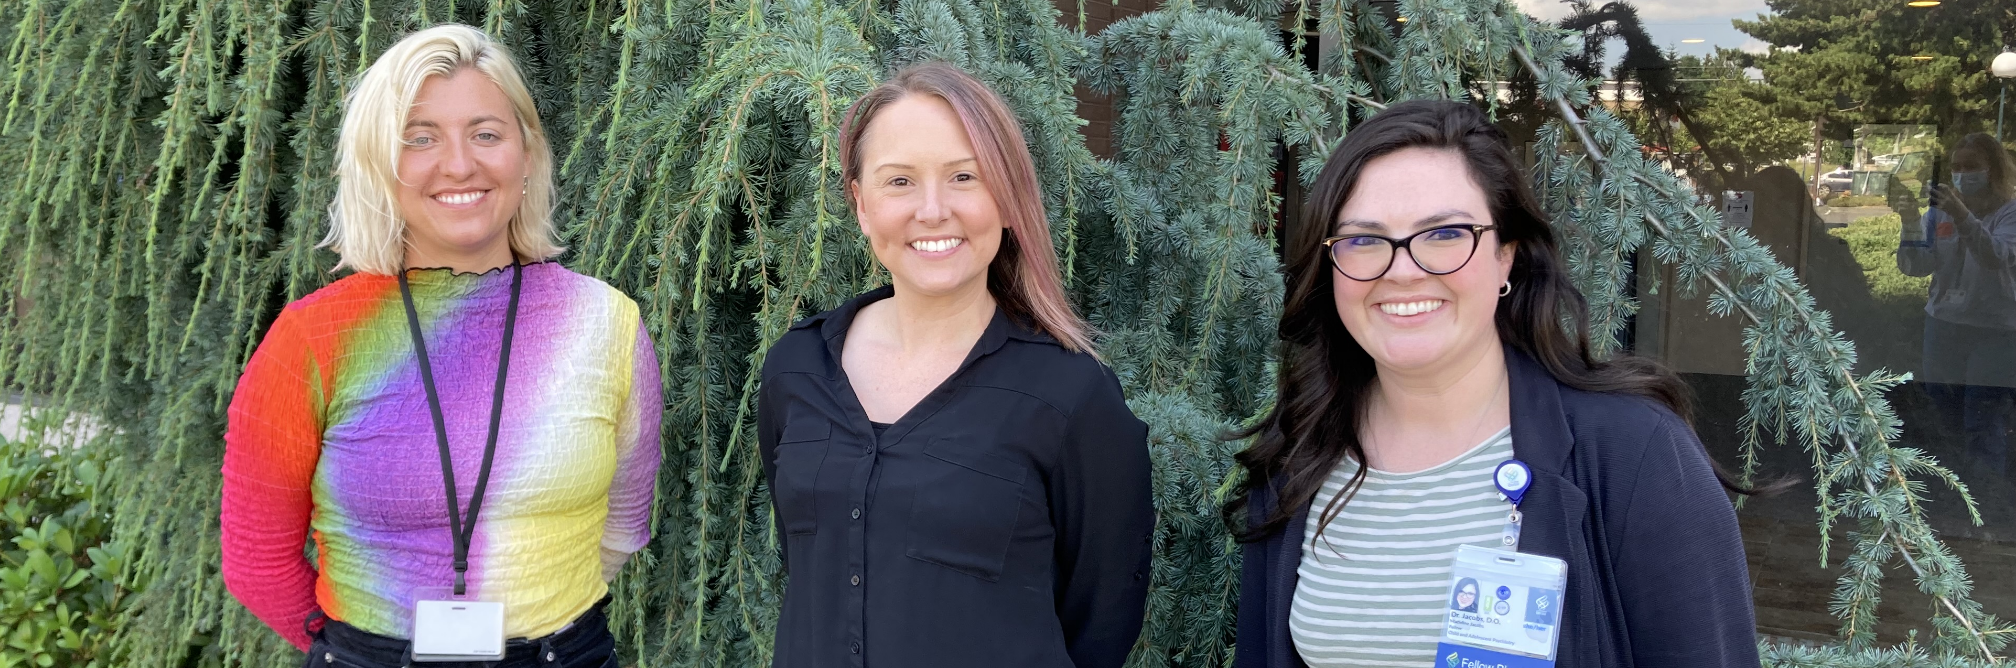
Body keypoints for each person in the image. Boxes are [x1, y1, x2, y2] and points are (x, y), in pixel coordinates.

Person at [1226, 100, 1764, 668]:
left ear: (1506, 254)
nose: (1403, 270)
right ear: (1331, 265)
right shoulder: (1299, 455)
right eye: (1363, 240)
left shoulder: (1637, 456)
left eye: (1445, 233)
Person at [220, 24, 663, 668]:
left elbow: (623, 522)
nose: (459, 164)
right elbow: (258, 561)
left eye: (486, 133)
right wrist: (366, 648)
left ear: (528, 153)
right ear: (379, 163)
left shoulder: (606, 323)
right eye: (419, 138)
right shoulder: (312, 340)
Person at [756, 61, 1153, 668]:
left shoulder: (1072, 396)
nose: (933, 210)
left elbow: (1099, 620)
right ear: (861, 205)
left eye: (964, 176)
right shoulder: (796, 371)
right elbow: (807, 564)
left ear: (1007, 198)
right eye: (899, 182)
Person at [1895, 132, 2016, 480]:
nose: (1962, 174)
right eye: (1956, 167)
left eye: (1972, 166)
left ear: (1992, 170)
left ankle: (1984, 498)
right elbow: (1916, 267)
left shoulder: (2010, 214)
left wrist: (1961, 213)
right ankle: (1944, 490)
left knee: (1982, 419)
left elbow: (1995, 256)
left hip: (1996, 331)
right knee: (1941, 413)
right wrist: (1909, 221)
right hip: (1943, 326)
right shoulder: (1938, 214)